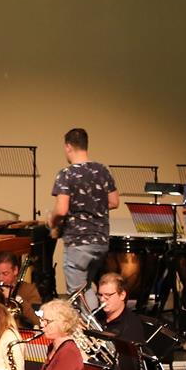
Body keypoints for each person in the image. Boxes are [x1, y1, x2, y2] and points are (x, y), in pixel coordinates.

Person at [50, 127, 119, 312]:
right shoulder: (102, 170)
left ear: (68, 147)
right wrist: (92, 207)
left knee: (77, 296)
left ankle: (91, 327)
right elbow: (114, 202)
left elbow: (62, 209)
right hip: (101, 242)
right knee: (87, 289)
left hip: (79, 243)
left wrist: (51, 220)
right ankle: (96, 323)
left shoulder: (66, 174)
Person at [0, 252, 43, 328]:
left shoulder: (30, 290)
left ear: (15, 270)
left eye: (5, 274)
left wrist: (17, 299)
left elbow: (37, 321)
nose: (1, 279)